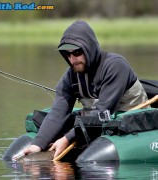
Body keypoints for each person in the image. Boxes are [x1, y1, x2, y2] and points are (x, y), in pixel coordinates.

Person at [24, 20, 149, 158]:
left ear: (89, 48)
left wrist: (67, 139)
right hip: (100, 124)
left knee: (85, 160)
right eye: (67, 54)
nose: (72, 59)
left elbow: (103, 113)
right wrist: (38, 144)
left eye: (77, 52)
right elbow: (58, 112)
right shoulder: (71, 76)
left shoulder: (115, 66)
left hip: (131, 123)